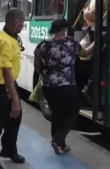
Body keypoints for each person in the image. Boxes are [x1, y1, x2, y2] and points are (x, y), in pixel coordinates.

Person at [34, 17, 94, 155]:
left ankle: (60, 145)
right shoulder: (70, 42)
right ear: (62, 30)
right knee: (73, 112)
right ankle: (58, 139)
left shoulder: (42, 45)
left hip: (49, 86)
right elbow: (85, 53)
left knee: (57, 115)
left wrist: (47, 74)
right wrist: (97, 41)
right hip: (67, 85)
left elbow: (37, 66)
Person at [0, 8, 26, 169]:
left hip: (9, 85)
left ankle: (9, 150)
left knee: (14, 120)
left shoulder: (10, 37)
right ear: (15, 22)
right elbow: (6, 72)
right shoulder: (5, 42)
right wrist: (15, 99)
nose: (22, 26)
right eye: (22, 23)